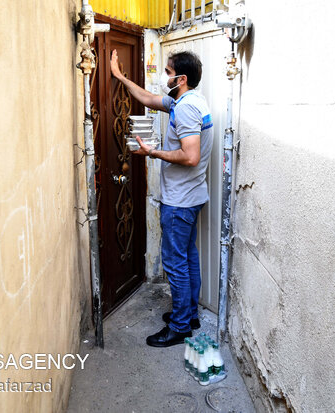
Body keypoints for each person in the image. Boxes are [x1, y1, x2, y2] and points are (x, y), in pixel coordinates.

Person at [110, 49, 214, 347]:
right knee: (187, 256)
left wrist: (151, 152)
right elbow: (148, 99)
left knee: (175, 262)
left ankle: (180, 326)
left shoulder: (185, 109)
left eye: (168, 72)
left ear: (181, 78)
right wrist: (120, 77)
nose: (163, 76)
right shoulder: (188, 100)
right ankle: (190, 314)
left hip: (180, 201)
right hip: (191, 196)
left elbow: (190, 156)